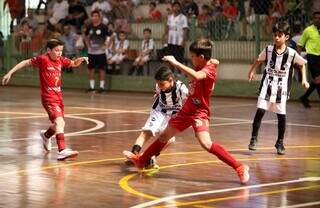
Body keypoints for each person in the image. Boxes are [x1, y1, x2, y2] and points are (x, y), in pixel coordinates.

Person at [123, 38, 250, 184]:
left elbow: (198, 75)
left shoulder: (208, 71)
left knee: (206, 143)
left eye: (193, 56)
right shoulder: (204, 64)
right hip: (187, 110)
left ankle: (239, 167)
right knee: (164, 136)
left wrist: (175, 62)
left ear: (201, 57)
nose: (191, 59)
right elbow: (210, 64)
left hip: (199, 112)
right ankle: (141, 161)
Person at [1, 39, 88, 160]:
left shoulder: (61, 60)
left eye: (61, 50)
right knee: (60, 122)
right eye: (57, 50)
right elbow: (25, 62)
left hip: (58, 97)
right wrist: (10, 73)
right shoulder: (43, 59)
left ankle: (46, 135)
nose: (59, 53)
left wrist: (79, 60)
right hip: (48, 98)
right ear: (49, 50)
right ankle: (62, 150)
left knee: (58, 123)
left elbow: (73, 64)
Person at [248, 21, 309, 155]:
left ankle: (280, 142)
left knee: (281, 116)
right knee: (260, 112)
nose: (276, 38)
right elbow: (259, 60)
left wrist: (304, 79)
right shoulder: (268, 50)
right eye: (275, 35)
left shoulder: (292, 53)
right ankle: (253, 139)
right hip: (267, 86)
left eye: (279, 35)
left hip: (282, 89)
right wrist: (252, 71)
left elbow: (302, 64)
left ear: (286, 37)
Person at [126, 66, 188, 168]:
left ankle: (151, 157)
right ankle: (134, 155)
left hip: (173, 114)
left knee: (169, 139)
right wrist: (157, 94)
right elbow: (159, 92)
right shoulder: (159, 86)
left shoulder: (181, 88)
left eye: (162, 84)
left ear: (171, 80)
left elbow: (190, 97)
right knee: (146, 132)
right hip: (159, 111)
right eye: (158, 84)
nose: (160, 86)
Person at [298, 11, 320, 108]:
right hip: (312, 57)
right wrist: (297, 58)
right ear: (313, 19)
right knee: (318, 80)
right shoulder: (308, 30)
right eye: (316, 18)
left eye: (319, 18)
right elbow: (300, 45)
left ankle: (304, 97)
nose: (318, 20)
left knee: (317, 81)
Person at [85, 10, 109, 93]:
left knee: (102, 69)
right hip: (91, 52)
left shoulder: (104, 27)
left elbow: (110, 36)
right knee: (91, 69)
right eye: (93, 16)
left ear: (99, 17)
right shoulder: (89, 26)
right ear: (91, 17)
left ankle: (101, 87)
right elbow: (86, 36)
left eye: (96, 16)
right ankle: (92, 88)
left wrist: (106, 45)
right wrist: (88, 44)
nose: (94, 17)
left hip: (100, 52)